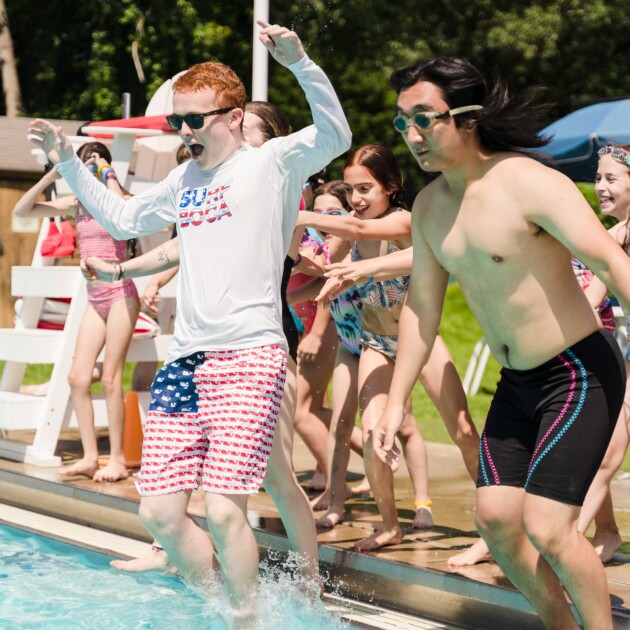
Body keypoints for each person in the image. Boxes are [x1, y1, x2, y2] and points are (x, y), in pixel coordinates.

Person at [29, 20, 351, 629]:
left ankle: (247, 620)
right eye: (177, 122)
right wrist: (66, 159)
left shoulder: (271, 163)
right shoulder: (185, 180)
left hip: (249, 355)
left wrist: (300, 63)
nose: (184, 133)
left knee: (228, 511)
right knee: (160, 515)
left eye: (194, 121)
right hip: (187, 359)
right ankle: (225, 610)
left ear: (232, 117)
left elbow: (336, 131)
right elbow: (122, 220)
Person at [372, 56, 630, 629]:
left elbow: (610, 260)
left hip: (578, 371)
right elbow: (421, 308)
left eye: (422, 119)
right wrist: (394, 402)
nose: (410, 135)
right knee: (496, 522)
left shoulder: (527, 182)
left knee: (548, 527)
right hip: (517, 384)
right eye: (401, 123)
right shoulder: (431, 207)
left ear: (465, 118)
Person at [97, 101, 322, 591]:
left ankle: (309, 578)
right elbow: (183, 247)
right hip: (210, 350)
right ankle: (175, 551)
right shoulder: (216, 186)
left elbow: (283, 251)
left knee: (277, 476)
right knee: (203, 473)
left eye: (257, 136)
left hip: (264, 346)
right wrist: (123, 271)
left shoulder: (274, 187)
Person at [298, 145, 435, 550]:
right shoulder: (353, 226)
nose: (356, 200)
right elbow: (324, 264)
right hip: (372, 340)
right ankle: (388, 523)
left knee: (455, 429)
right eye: (352, 190)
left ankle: (456, 512)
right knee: (370, 429)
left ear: (390, 187)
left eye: (365, 189)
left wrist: (295, 211)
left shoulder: (405, 222)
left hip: (419, 338)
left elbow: (358, 233)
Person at [13, 142, 140, 483]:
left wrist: (106, 171)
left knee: (112, 377)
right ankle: (89, 456)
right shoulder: (77, 204)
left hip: (120, 295)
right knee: (77, 377)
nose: (89, 171)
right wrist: (55, 173)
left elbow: (119, 209)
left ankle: (115, 460)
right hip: (94, 298)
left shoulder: (120, 201)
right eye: (85, 166)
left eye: (93, 165)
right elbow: (23, 211)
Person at [576, 144, 630, 563]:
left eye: (611, 178)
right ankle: (573, 544)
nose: (600, 187)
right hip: (626, 362)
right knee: (604, 454)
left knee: (605, 456)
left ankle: (561, 549)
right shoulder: (611, 238)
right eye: (598, 178)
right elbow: (590, 301)